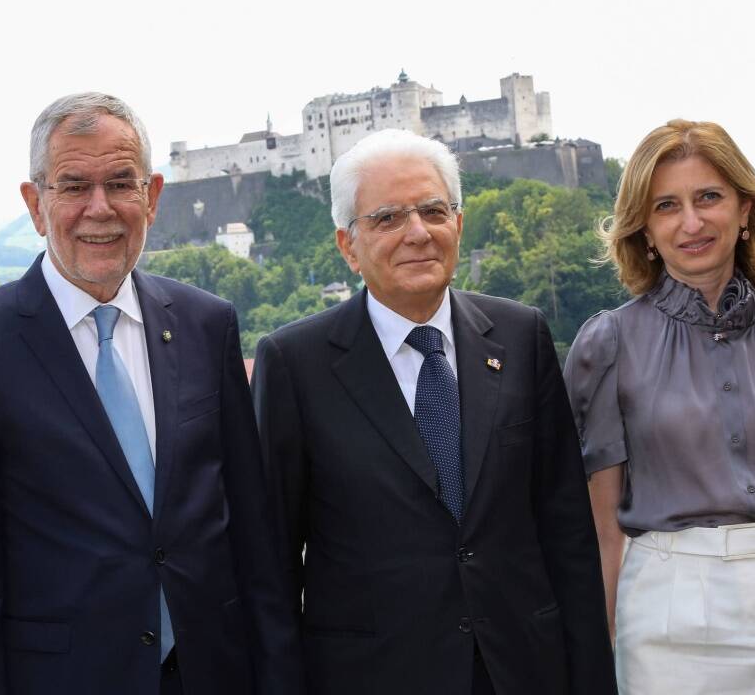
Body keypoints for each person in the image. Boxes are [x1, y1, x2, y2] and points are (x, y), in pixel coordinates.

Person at [0, 92, 302, 695]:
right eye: (73, 186)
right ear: (34, 204)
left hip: (214, 671)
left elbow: (252, 533)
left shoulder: (207, 323)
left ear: (152, 195)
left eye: (121, 184)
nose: (100, 209)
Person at [251, 128, 616, 695]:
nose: (417, 233)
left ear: (459, 224)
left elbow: (565, 530)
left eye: (432, 210)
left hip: (522, 669)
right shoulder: (294, 364)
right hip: (372, 676)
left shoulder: (521, 337)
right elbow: (270, 565)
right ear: (348, 245)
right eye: (388, 218)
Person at [566, 119, 755, 693]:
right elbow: (604, 527)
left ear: (745, 209)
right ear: (644, 230)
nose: (692, 222)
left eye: (709, 198)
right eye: (666, 206)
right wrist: (600, 650)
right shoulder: (608, 345)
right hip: (676, 622)